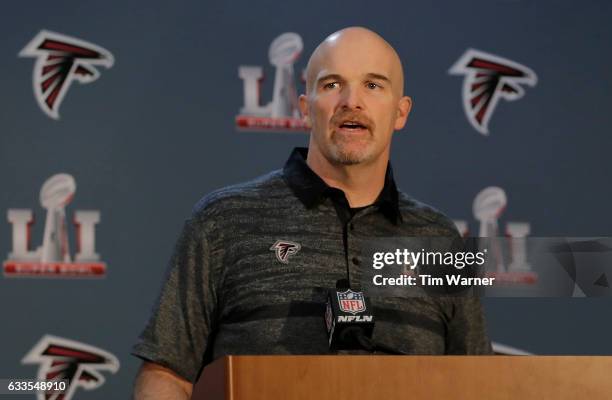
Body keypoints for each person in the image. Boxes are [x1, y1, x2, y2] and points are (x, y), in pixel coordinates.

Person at [132, 26, 491, 399]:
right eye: (333, 84)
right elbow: (166, 373)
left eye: (373, 85)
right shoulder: (224, 220)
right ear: (305, 108)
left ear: (400, 112)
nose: (351, 101)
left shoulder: (439, 238)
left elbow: (478, 384)